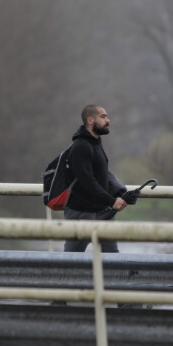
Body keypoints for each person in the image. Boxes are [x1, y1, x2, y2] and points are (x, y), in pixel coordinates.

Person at [63, 105, 128, 253]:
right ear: (90, 120)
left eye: (107, 116)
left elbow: (101, 174)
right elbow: (88, 182)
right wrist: (112, 201)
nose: (108, 120)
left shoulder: (95, 143)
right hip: (82, 212)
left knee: (112, 259)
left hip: (103, 210)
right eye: (103, 117)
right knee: (70, 262)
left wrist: (119, 192)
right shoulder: (81, 147)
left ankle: (114, 277)